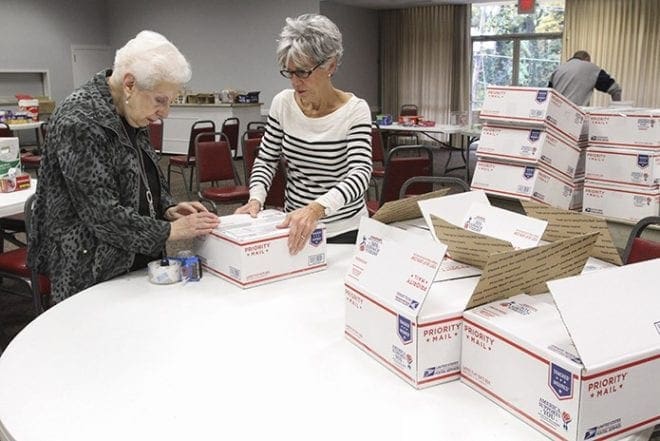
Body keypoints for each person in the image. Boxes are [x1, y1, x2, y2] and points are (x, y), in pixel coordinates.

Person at [28, 30, 219, 303]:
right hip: (89, 269)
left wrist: (166, 207)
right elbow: (101, 214)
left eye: (170, 101)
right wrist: (170, 231)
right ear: (129, 84)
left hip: (134, 259)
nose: (165, 112)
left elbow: (142, 175)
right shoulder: (80, 119)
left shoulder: (131, 111)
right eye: (160, 100)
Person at [235, 13, 372, 255]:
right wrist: (255, 199)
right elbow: (266, 160)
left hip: (344, 229)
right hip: (296, 224)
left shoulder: (355, 110)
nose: (295, 82)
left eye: (303, 72)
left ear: (331, 65)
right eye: (289, 73)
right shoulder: (283, 104)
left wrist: (317, 209)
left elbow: (360, 173)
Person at [548, 50, 622, 106]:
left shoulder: (558, 69)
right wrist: (617, 111)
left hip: (556, 114)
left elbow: (549, 93)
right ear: (586, 59)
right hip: (576, 115)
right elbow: (615, 89)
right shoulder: (590, 68)